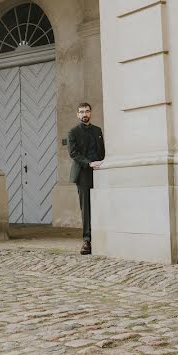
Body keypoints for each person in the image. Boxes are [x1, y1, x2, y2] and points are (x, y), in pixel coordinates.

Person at [67, 102, 104, 255]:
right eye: (81, 112)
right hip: (83, 173)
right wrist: (89, 164)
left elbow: (102, 150)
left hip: (100, 171)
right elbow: (73, 154)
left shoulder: (97, 130)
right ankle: (87, 241)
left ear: (90, 113)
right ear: (78, 115)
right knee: (87, 207)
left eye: (87, 111)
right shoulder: (73, 132)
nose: (84, 114)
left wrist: (101, 163)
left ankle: (102, 236)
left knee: (101, 204)